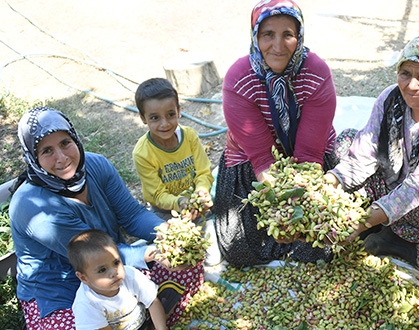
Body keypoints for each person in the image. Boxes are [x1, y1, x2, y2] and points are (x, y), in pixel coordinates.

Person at [9, 107, 204, 329]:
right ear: (33, 158)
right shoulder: (33, 207)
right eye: (47, 151)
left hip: (111, 270)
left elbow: (132, 215)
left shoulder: (95, 165)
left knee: (188, 265)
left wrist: (168, 233)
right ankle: (140, 317)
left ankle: (141, 318)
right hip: (61, 292)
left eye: (65, 143)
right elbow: (94, 253)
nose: (61, 158)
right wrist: (152, 253)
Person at [325, 34, 419, 299]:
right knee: (346, 142)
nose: (412, 85)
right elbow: (364, 155)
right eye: (405, 73)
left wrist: (359, 223)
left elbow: (416, 188)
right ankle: (382, 225)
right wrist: (328, 185)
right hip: (390, 187)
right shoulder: (390, 99)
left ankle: (404, 245)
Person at [212, 0, 338, 267]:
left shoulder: (316, 73)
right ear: (255, 36)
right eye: (268, 34)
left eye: (288, 35)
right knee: (241, 249)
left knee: (319, 246)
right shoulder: (239, 78)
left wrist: (297, 209)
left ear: (299, 37)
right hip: (253, 163)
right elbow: (262, 159)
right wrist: (281, 211)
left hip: (308, 162)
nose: (278, 46)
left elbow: (309, 154)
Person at [132, 77, 214, 222]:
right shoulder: (142, 153)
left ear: (179, 110)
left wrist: (201, 190)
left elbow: (204, 172)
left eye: (170, 115)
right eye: (155, 118)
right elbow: (157, 195)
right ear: (143, 118)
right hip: (165, 211)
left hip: (196, 202)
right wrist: (180, 203)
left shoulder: (189, 136)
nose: (165, 124)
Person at [68, 229, 167, 330]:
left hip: (142, 320)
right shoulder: (87, 303)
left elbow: (152, 302)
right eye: (102, 270)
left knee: (170, 293)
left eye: (116, 263)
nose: (114, 272)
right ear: (83, 278)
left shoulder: (131, 275)